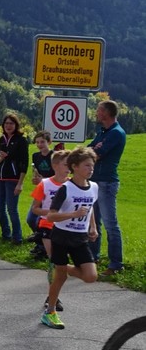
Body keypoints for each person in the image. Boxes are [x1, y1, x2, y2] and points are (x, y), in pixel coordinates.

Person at [41, 147, 100, 330]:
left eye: (92, 165)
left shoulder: (94, 187)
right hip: (61, 236)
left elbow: (90, 207)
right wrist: (73, 214)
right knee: (60, 278)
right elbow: (51, 216)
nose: (91, 169)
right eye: (87, 165)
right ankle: (50, 312)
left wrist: (93, 227)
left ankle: (61, 267)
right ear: (74, 167)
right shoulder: (66, 189)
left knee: (91, 276)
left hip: (80, 237)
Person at [88, 100, 126, 276]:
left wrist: (92, 151)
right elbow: (90, 149)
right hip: (96, 182)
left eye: (99, 110)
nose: (97, 113)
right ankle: (92, 258)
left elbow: (97, 154)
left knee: (111, 224)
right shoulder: (103, 132)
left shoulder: (116, 133)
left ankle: (116, 264)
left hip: (106, 183)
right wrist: (91, 150)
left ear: (106, 113)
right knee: (94, 222)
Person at [30, 149, 70, 312]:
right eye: (66, 164)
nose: (69, 168)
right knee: (54, 261)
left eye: (71, 164)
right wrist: (52, 213)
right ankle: (52, 297)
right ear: (55, 166)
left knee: (62, 265)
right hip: (47, 226)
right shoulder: (45, 184)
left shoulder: (72, 184)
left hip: (66, 228)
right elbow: (35, 208)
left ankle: (53, 295)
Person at [0, 113, 28, 244]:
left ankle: (17, 238)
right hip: (0, 179)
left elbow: (24, 163)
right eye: (6, 123)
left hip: (13, 179)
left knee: (12, 209)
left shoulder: (21, 140)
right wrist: (1, 158)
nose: (8, 126)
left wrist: (20, 183)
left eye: (11, 123)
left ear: (16, 125)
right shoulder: (2, 139)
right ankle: (5, 235)